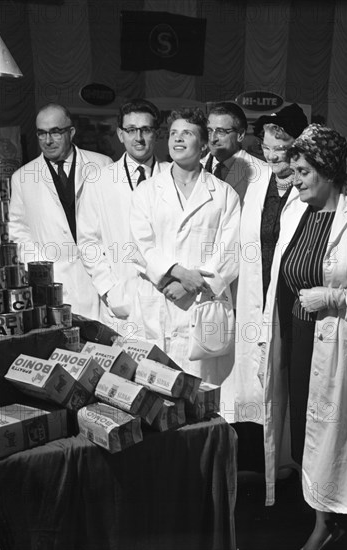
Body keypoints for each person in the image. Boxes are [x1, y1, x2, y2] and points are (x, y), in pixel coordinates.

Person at [259, 124, 347, 550]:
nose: (295, 179)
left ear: (327, 170)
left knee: (340, 437)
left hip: (343, 342)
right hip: (297, 338)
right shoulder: (294, 213)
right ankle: (323, 521)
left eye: (303, 171)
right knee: (307, 433)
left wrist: (338, 298)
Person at [130, 107, 240, 391]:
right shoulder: (147, 191)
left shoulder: (224, 194)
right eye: (174, 134)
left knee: (199, 393)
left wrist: (192, 284)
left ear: (203, 144)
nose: (177, 140)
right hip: (159, 298)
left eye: (187, 134)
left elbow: (230, 251)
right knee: (154, 390)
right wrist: (177, 274)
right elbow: (140, 246)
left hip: (200, 304)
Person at [230, 104, 307, 472]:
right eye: (267, 146)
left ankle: (288, 459)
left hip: (288, 297)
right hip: (251, 290)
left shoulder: (309, 188)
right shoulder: (255, 181)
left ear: (299, 146)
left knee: (284, 375)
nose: (273, 155)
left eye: (283, 146)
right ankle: (257, 456)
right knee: (250, 375)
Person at [9, 103, 112, 319]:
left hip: (103, 279)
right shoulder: (22, 177)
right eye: (41, 133)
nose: (48, 140)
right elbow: (18, 231)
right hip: (54, 283)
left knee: (107, 346)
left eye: (55, 132)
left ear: (71, 132)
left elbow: (116, 223)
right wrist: (41, 267)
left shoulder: (102, 165)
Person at [78, 99, 169, 338]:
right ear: (120, 134)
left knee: (167, 372)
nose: (138, 137)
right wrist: (109, 291)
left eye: (146, 130)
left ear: (156, 134)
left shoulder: (172, 176)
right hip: (121, 297)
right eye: (131, 130)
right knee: (123, 371)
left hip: (166, 299)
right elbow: (88, 242)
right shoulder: (99, 181)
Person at [202, 102, 270, 203]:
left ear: (240, 135)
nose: (212, 139)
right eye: (209, 131)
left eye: (221, 131)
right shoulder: (195, 169)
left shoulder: (264, 173)